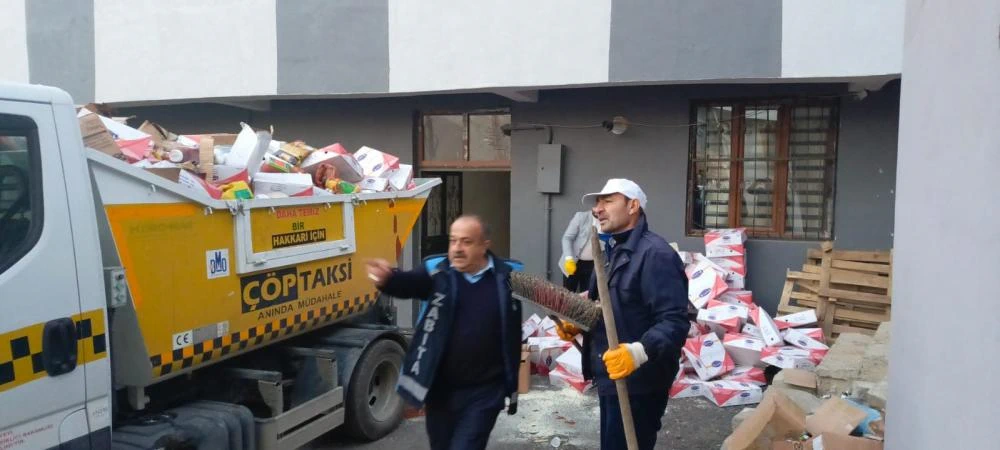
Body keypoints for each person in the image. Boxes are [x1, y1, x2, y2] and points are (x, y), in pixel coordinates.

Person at [366, 215, 522, 450]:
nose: (457, 249)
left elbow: (550, 301)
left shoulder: (508, 278)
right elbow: (410, 283)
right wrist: (388, 279)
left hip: (485, 391)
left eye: (466, 242)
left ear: (484, 245)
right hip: (440, 390)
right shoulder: (438, 274)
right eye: (453, 241)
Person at [555, 179, 689, 450]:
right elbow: (602, 304)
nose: (598, 209)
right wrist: (579, 323)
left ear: (633, 206)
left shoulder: (656, 255)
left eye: (608, 201)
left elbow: (674, 321)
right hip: (611, 372)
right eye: (597, 203)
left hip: (641, 381)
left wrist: (637, 352)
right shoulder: (611, 251)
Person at [560, 210, 597, 292]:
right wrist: (569, 259)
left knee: (588, 296)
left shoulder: (609, 220)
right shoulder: (581, 217)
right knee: (567, 295)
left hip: (593, 265)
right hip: (573, 262)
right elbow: (567, 238)